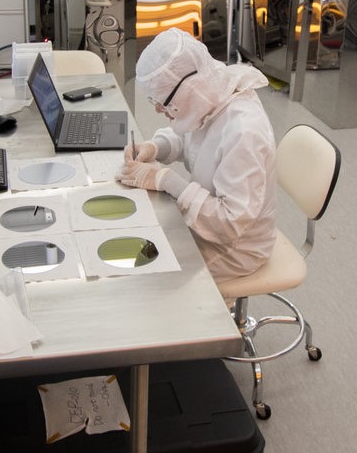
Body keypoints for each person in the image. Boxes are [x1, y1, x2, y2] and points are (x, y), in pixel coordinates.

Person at [117, 28, 277, 283]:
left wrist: (166, 180)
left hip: (234, 248)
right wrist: (156, 146)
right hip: (208, 225)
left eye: (164, 102)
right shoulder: (211, 96)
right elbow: (188, 133)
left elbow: (230, 223)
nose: (160, 110)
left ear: (188, 89)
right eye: (154, 102)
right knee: (142, 239)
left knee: (150, 278)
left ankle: (212, 320)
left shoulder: (245, 131)